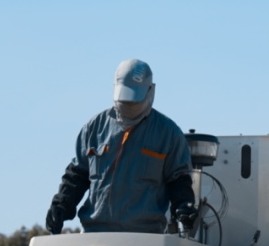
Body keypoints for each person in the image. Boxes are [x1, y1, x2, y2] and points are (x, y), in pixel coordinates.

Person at [45, 58, 197, 235]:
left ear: (151, 91)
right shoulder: (94, 128)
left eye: (134, 101)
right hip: (94, 234)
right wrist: (62, 204)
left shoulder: (168, 134)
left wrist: (184, 207)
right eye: (125, 100)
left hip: (145, 238)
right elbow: (77, 175)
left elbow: (179, 181)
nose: (129, 106)